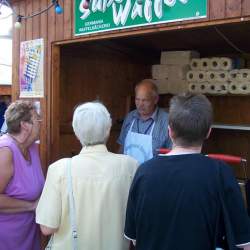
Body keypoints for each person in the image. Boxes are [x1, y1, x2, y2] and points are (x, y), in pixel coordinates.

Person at [124, 93, 250, 250]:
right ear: (208, 132)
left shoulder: (144, 172)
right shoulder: (221, 173)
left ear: (169, 131)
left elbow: (134, 239)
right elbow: (243, 243)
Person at [36, 101, 138, 250]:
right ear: (108, 129)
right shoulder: (131, 166)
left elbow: (47, 228)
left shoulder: (59, 169)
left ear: (76, 132)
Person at [0, 100, 45, 250]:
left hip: (28, 233)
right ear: (25, 125)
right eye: (37, 119)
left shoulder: (31, 147)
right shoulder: (5, 151)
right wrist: (32, 205)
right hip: (7, 237)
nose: (41, 123)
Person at [117, 79, 172, 164]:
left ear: (155, 99)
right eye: (137, 99)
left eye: (145, 100)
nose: (140, 104)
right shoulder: (130, 117)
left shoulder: (166, 122)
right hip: (128, 173)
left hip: (153, 174)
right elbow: (121, 148)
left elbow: (172, 155)